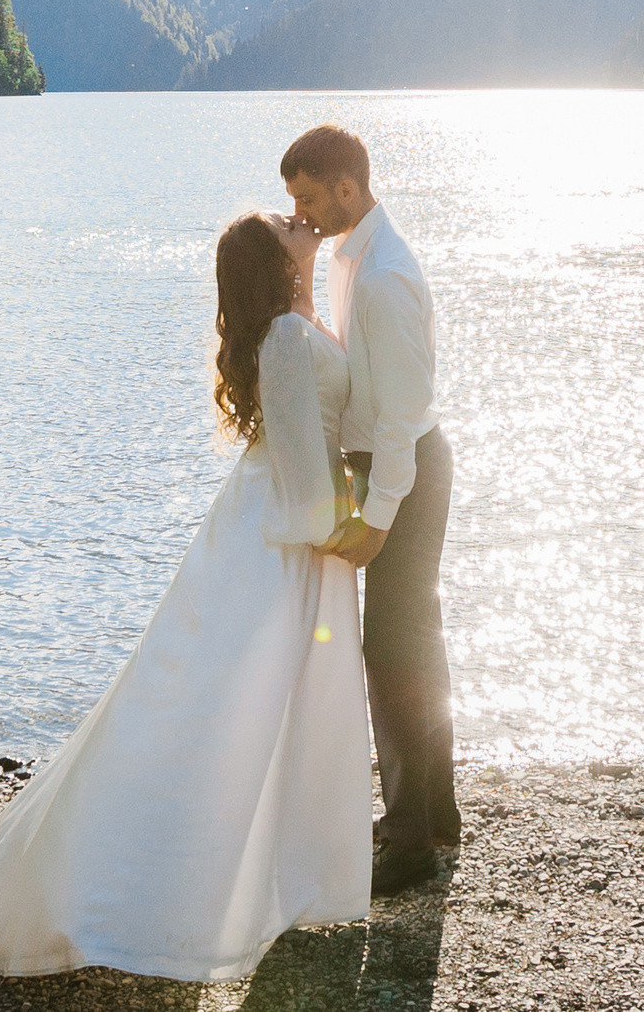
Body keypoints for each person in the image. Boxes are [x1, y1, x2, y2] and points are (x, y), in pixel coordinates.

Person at [0, 211, 370, 982]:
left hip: (282, 532)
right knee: (222, 713)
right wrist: (353, 527)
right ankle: (140, 891)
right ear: (273, 261)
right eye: (285, 221)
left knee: (268, 710)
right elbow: (306, 481)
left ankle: (283, 878)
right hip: (280, 543)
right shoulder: (283, 336)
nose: (297, 218)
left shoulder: (302, 317)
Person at [280, 123, 459, 896]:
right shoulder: (355, 256)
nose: (304, 211)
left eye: (310, 196)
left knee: (392, 652)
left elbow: (403, 413)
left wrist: (381, 511)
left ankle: (410, 839)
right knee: (412, 642)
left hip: (406, 472)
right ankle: (434, 815)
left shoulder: (384, 275)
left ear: (346, 187)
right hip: (387, 468)